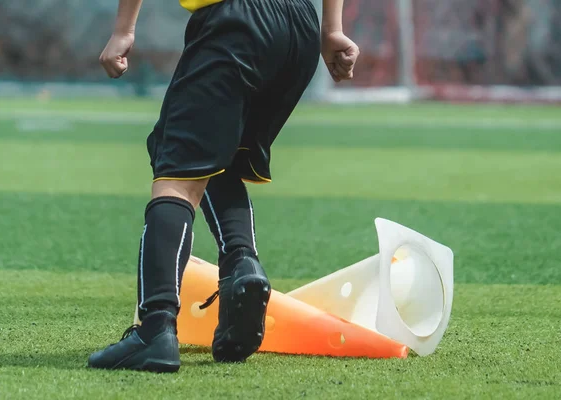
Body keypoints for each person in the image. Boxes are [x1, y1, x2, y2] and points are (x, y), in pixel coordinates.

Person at [87, 0, 359, 372]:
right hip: (298, 29)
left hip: (235, 23)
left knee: (177, 173)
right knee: (216, 155)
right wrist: (331, 30)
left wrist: (123, 31)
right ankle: (241, 263)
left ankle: (155, 330)